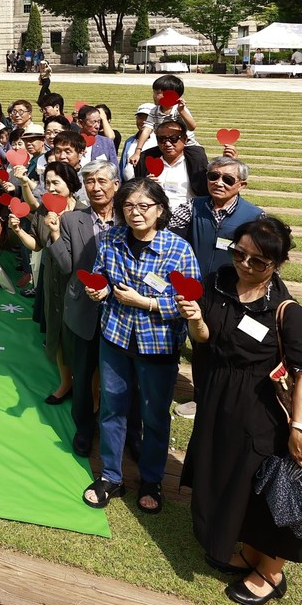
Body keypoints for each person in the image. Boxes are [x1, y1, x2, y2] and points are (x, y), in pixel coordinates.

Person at [177, 217, 302, 605]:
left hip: (262, 413)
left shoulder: (286, 310)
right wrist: (195, 320)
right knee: (231, 480)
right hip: (220, 401)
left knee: (268, 493)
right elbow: (205, 338)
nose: (244, 264)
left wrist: (301, 430)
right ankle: (248, 551)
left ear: (279, 263)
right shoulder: (218, 282)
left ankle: (271, 573)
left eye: (258, 261)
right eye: (239, 254)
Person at [81, 178, 199, 514]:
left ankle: (151, 480)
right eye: (129, 206)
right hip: (115, 338)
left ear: (160, 209)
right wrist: (99, 290)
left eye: (144, 206)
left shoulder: (178, 249)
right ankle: (111, 476)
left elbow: (190, 303)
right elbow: (101, 275)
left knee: (155, 416)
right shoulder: (112, 239)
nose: (136, 213)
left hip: (157, 345)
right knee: (112, 409)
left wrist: (146, 303)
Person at [169, 155, 263, 419]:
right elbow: (171, 237)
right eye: (213, 176)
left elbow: (264, 258)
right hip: (195, 290)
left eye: (228, 179)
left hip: (233, 292)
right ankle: (201, 398)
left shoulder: (255, 216)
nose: (219, 183)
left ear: (242, 185)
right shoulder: (193, 206)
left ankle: (226, 399)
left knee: (228, 346)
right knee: (199, 346)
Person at [49, 160, 120, 455]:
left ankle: (120, 430)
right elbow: (66, 266)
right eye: (90, 181)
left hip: (120, 310)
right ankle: (83, 428)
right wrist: (55, 234)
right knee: (82, 372)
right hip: (82, 310)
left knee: (118, 379)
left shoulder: (130, 218)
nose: (96, 187)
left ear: (116, 185)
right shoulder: (71, 220)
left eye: (102, 181)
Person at [9, 162, 80, 403]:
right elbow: (37, 245)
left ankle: (88, 387)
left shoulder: (83, 212)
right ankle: (65, 382)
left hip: (77, 283)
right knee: (56, 331)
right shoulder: (42, 211)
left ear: (70, 184)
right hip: (51, 280)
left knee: (78, 335)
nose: (51, 188)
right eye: (47, 183)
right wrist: (18, 231)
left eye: (56, 182)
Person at [134, 117, 208, 209]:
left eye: (173, 138)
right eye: (162, 139)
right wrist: (145, 185)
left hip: (189, 213)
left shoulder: (196, 162)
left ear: (185, 139)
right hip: (157, 213)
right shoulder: (146, 162)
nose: (167, 144)